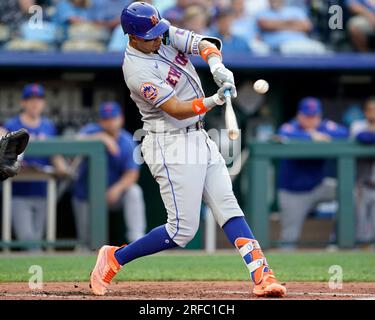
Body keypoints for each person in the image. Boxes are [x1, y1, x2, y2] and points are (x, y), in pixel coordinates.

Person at [90, 2, 287, 298]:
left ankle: (263, 276)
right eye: (150, 36)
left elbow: (202, 43)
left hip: (198, 136)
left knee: (227, 205)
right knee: (182, 231)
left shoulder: (162, 31)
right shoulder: (136, 71)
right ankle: (114, 258)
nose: (158, 38)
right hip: (168, 141)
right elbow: (176, 110)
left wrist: (217, 65)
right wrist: (214, 100)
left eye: (158, 32)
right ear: (132, 37)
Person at [277, 97, 349, 250]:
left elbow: (344, 133)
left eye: (314, 116)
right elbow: (282, 134)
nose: (311, 120)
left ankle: (338, 241)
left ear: (319, 115)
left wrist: (322, 135)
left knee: (350, 193)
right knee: (289, 239)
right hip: (293, 193)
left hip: (319, 187)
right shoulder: (291, 127)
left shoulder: (324, 126)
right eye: (307, 116)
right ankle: (283, 269)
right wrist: (310, 136)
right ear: (299, 115)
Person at [72, 101, 146, 249]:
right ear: (100, 121)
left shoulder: (126, 141)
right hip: (86, 194)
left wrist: (117, 189)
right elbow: (74, 142)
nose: (110, 122)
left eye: (113, 118)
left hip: (112, 193)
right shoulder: (91, 130)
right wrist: (101, 137)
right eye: (106, 119)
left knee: (134, 191)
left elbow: (132, 174)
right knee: (86, 241)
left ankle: (137, 240)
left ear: (121, 119)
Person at [3, 83, 67, 250]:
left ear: (43, 103)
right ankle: (34, 273)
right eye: (30, 99)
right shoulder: (12, 124)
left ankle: (36, 273)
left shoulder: (48, 126)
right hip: (18, 190)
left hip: (43, 190)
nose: (34, 103)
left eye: (38, 99)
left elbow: (55, 155)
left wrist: (62, 169)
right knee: (27, 240)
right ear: (23, 103)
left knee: (37, 238)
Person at [256, 0, 326, 54]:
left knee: (320, 48)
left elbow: (307, 26)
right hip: (279, 47)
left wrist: (276, 24)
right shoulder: (261, 12)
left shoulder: (296, 10)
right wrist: (292, 23)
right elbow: (266, 25)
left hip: (303, 43)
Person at [350, 97, 375, 248]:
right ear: (365, 112)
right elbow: (364, 137)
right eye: (371, 110)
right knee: (360, 224)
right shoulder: (358, 125)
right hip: (362, 184)